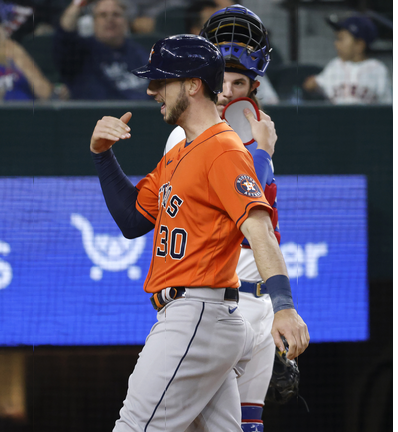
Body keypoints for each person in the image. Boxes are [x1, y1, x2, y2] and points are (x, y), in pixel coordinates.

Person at [89, 34, 309, 431]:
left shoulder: (222, 150)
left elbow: (260, 231)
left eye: (162, 81)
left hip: (196, 315)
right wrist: (103, 156)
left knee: (134, 426)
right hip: (202, 317)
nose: (151, 89)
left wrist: (284, 306)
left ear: (192, 85)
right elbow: (132, 219)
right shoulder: (179, 152)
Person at [164, 6, 283, 431]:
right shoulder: (184, 132)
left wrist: (283, 309)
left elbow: (267, 232)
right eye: (223, 80)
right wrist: (263, 156)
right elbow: (232, 210)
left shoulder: (257, 128)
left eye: (240, 82)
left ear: (254, 86)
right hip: (211, 301)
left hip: (259, 303)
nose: (230, 91)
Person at [54, 0, 150, 101]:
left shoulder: (140, 53)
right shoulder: (79, 53)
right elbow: (65, 32)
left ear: (126, 21)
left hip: (141, 114)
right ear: (93, 21)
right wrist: (79, 2)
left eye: (116, 14)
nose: (110, 19)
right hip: (95, 115)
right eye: (103, 15)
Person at [303, 14, 391, 104]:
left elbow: (386, 105)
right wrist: (312, 83)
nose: (336, 44)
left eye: (340, 39)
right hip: (336, 117)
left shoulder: (377, 69)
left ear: (359, 45)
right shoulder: (335, 66)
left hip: (366, 117)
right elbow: (314, 83)